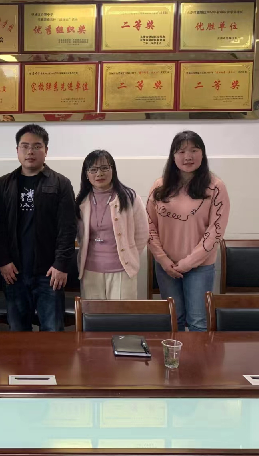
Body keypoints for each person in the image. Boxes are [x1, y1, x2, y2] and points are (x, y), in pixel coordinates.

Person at [0, 124, 76, 332]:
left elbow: (67, 228)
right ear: (17, 150)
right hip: (14, 271)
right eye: (25, 146)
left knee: (52, 333)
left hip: (49, 273)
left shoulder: (61, 183)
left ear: (46, 150)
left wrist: (61, 265)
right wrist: (3, 261)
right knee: (18, 333)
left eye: (37, 146)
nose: (30, 151)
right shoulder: (4, 184)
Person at [146, 130, 230, 332]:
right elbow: (148, 225)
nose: (188, 156)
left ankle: (197, 356)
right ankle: (173, 356)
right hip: (167, 267)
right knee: (173, 322)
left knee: (198, 322)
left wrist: (188, 263)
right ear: (173, 156)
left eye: (194, 150)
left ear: (203, 154)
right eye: (181, 151)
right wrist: (163, 260)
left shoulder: (215, 187)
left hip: (200, 267)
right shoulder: (160, 186)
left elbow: (216, 230)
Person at [75, 150, 149, 300]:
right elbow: (79, 236)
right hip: (90, 270)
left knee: (121, 314)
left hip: (122, 270)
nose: (99, 173)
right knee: (93, 314)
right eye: (93, 169)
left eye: (104, 168)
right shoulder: (81, 201)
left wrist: (130, 252)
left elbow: (142, 233)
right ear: (86, 174)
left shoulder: (129, 197)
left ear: (113, 170)